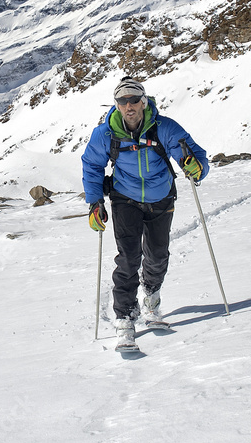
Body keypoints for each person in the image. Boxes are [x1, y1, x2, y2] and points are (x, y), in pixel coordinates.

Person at [81, 76, 209, 347]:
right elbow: (92, 166)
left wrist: (195, 166)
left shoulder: (164, 128)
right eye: (122, 101)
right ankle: (125, 316)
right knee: (128, 258)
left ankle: (151, 296)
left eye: (134, 100)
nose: (129, 106)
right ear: (116, 105)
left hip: (161, 196)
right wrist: (95, 203)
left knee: (157, 254)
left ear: (143, 101)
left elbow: (194, 154)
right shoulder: (105, 134)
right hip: (124, 197)